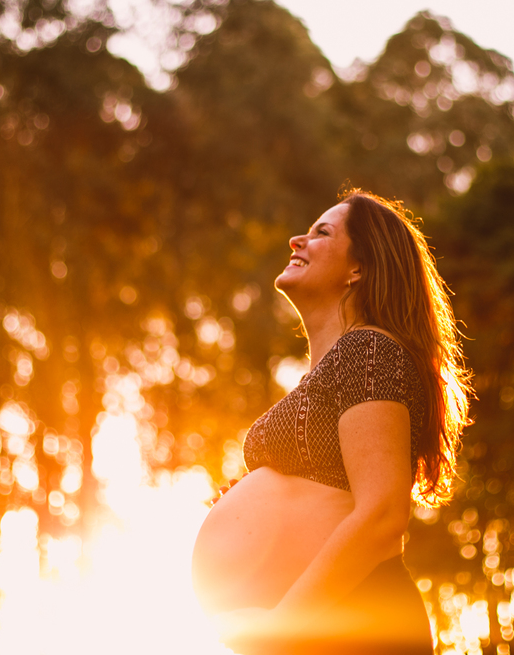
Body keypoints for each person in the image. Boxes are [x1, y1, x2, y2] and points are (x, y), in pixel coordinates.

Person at [191, 189, 473, 655]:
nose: (296, 240)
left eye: (321, 232)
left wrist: (282, 626)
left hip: (357, 624)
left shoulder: (368, 352)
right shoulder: (337, 366)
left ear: (357, 268)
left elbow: (383, 514)